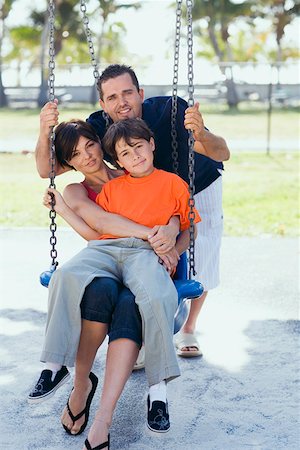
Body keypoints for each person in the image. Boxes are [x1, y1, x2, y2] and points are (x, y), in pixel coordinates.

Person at [35, 64, 230, 358]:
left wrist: (201, 133)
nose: (121, 102)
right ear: (103, 104)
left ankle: (188, 326)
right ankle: (140, 329)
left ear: (140, 94)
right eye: (112, 97)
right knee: (149, 254)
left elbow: (221, 152)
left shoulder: (171, 110)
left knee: (201, 254)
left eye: (128, 93)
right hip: (149, 194)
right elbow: (47, 168)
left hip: (196, 182)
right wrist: (43, 131)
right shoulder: (98, 126)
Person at [39, 117, 200, 449]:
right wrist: (62, 207)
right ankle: (57, 366)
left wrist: (170, 237)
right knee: (68, 276)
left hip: (143, 258)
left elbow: (178, 216)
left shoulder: (139, 175)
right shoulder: (96, 189)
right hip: (108, 257)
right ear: (68, 163)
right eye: (76, 154)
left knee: (153, 296)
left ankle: (157, 389)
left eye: (90, 145)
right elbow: (99, 227)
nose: (87, 156)